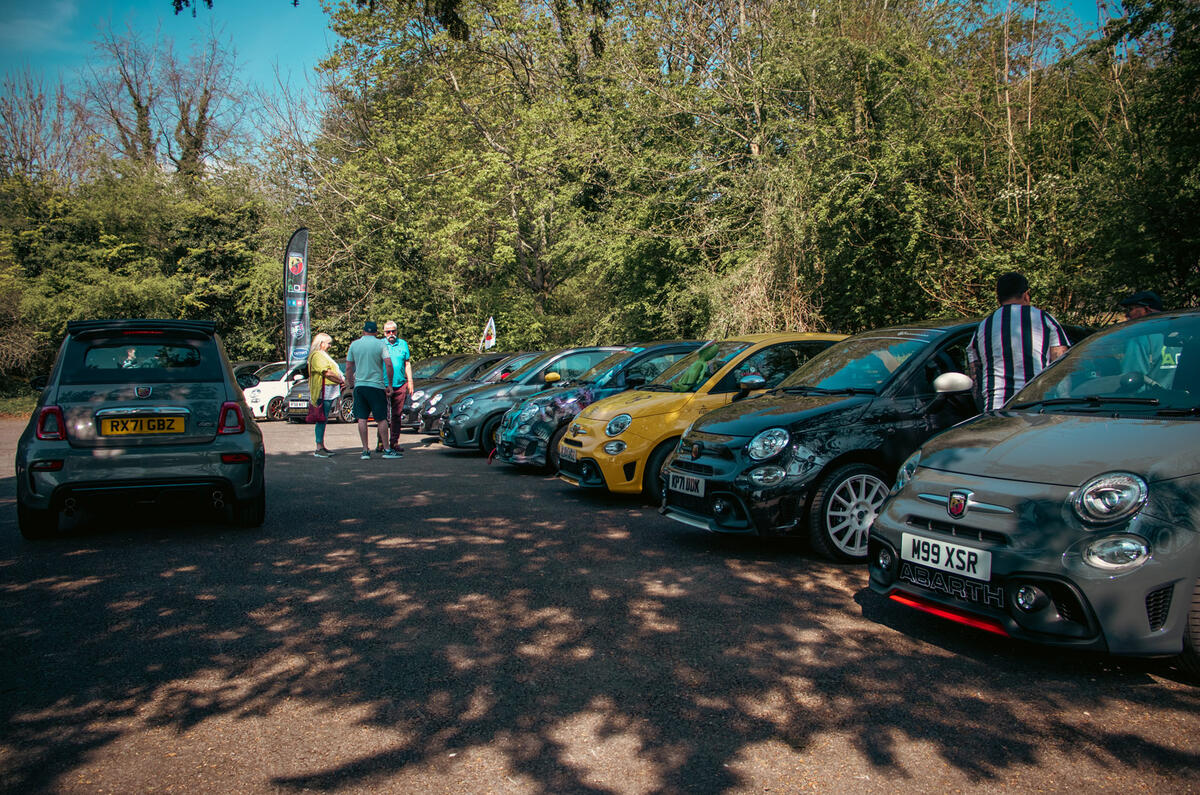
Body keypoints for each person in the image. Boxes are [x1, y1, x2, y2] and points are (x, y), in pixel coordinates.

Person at [967, 272, 1070, 411]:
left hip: (996, 409)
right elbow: (1060, 366)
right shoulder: (1044, 319)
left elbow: (976, 377)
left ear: (998, 298)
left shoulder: (983, 326)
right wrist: (1063, 406)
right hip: (1035, 407)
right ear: (1026, 295)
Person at [345, 320, 395, 459]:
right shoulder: (381, 344)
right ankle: (387, 449)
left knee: (362, 418)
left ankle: (365, 450)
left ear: (363, 332)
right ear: (376, 332)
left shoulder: (354, 345)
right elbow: (388, 365)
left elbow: (349, 367)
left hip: (360, 385)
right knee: (381, 419)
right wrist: (389, 384)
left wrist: (351, 383)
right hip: (376, 385)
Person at [1119, 290, 1177, 387]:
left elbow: (1132, 382)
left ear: (1146, 309)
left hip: (1154, 396)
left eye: (1130, 309)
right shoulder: (1184, 332)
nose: (1127, 315)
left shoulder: (1140, 338)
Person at [307, 333, 345, 458]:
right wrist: (340, 380)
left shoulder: (323, 355)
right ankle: (319, 447)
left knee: (323, 418)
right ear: (321, 343)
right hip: (322, 392)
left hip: (329, 391)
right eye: (328, 343)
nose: (330, 346)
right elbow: (327, 372)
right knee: (321, 418)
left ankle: (321, 445)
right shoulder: (317, 355)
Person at [382, 320, 416, 458]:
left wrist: (410, 381)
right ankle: (381, 442)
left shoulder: (403, 344)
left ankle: (394, 442)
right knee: (382, 416)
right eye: (388, 332)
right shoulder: (380, 344)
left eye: (393, 331)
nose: (391, 334)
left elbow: (407, 363)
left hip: (400, 383)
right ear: (384, 333)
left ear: (397, 331)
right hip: (383, 384)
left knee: (397, 415)